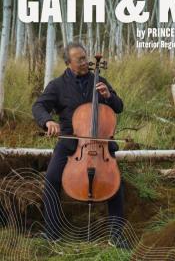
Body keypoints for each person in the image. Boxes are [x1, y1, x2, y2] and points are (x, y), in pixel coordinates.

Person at [32, 42, 128, 248]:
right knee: (51, 179)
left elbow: (119, 107)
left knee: (116, 183)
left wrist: (108, 97)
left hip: (101, 143)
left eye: (86, 58)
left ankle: (117, 235)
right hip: (70, 142)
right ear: (69, 63)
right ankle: (52, 232)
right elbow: (39, 106)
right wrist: (48, 121)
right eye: (80, 59)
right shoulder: (57, 85)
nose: (86, 62)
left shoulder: (99, 80)